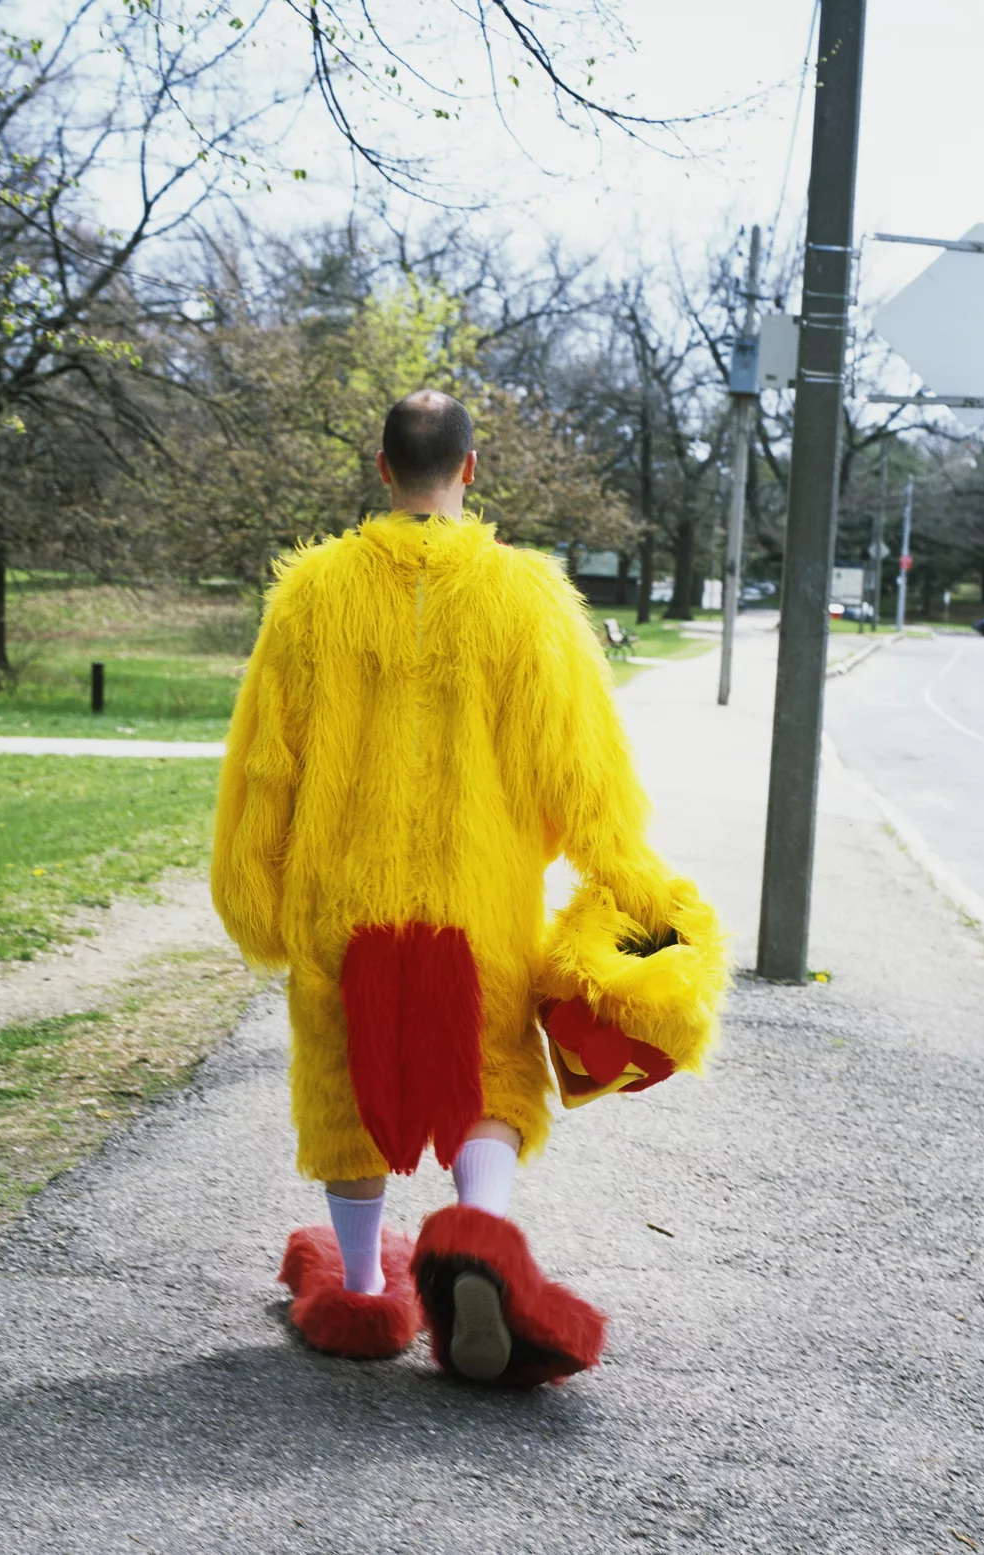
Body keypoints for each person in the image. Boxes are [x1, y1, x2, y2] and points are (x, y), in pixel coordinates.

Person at [212, 389, 723, 1386]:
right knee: (493, 1072)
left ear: (380, 466)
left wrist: (252, 898)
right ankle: (479, 1234)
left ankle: (362, 1288)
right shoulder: (526, 596)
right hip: (478, 901)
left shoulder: (309, 594)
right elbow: (585, 770)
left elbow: (261, 764)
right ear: (470, 470)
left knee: (341, 1085)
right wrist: (636, 884)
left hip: (338, 901)